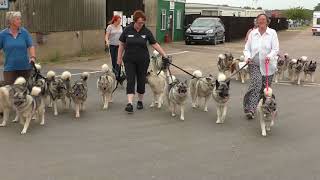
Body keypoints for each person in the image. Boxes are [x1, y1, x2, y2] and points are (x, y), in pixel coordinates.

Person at [117, 10, 167, 114]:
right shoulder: (127, 30)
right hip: (129, 60)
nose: (141, 24)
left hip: (143, 60)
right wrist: (119, 58)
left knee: (141, 81)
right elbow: (121, 44)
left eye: (143, 23)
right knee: (130, 80)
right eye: (139, 22)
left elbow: (155, 44)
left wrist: (164, 55)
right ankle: (130, 103)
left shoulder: (146, 31)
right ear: (134, 21)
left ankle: (140, 101)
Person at [243, 13, 279, 119]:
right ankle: (251, 109)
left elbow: (275, 49)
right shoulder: (253, 33)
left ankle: (265, 108)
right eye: (260, 19)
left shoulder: (272, 33)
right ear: (257, 22)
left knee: (265, 89)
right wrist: (248, 57)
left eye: (264, 19)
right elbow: (247, 48)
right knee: (256, 84)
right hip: (254, 64)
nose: (262, 21)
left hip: (268, 65)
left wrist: (270, 56)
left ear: (267, 21)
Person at [0, 11, 36, 85]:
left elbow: (31, 45)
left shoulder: (24, 32)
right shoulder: (3, 35)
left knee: (26, 92)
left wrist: (32, 57)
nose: (20, 21)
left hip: (25, 68)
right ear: (11, 21)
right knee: (10, 92)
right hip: (9, 70)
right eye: (18, 19)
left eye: (20, 19)